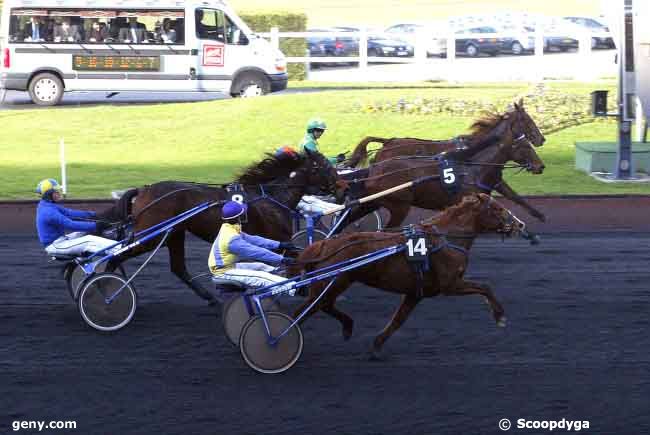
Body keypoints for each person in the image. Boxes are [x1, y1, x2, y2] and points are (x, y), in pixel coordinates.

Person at [208, 201, 298, 294]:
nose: (246, 214)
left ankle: (279, 274)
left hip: (228, 266)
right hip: (224, 272)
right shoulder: (231, 239)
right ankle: (295, 288)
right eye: (244, 213)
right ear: (239, 217)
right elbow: (256, 252)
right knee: (262, 277)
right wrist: (281, 259)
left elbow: (253, 239)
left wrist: (279, 244)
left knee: (261, 266)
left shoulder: (229, 228)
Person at [35, 179, 116, 257]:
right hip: (55, 245)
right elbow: (70, 224)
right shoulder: (48, 211)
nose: (59, 193)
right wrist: (96, 225)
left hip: (61, 239)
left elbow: (71, 213)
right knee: (89, 239)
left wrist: (94, 215)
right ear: (48, 195)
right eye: (55, 191)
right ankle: (118, 249)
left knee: (85, 233)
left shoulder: (48, 205)